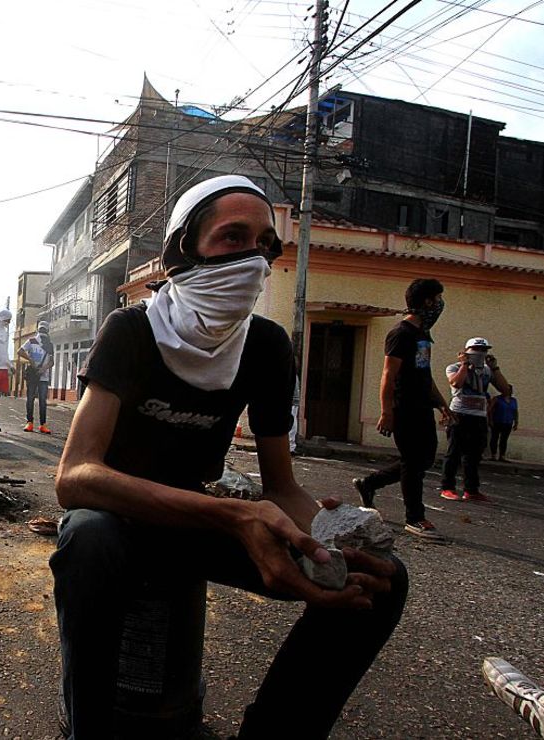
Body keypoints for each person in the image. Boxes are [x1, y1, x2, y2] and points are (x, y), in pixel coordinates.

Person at [50, 175, 406, 739]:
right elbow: (76, 478)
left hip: (197, 526)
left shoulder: (265, 347)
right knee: (86, 538)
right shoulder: (131, 331)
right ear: (183, 250)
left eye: (265, 243)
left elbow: (281, 488)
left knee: (382, 579)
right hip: (120, 521)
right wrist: (235, 515)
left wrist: (329, 532)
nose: (253, 257)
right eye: (232, 237)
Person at [352, 279, 453, 539]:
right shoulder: (401, 333)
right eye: (437, 299)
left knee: (424, 459)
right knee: (413, 461)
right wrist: (386, 412)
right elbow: (388, 374)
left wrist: (442, 403)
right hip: (404, 407)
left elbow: (425, 375)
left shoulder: (423, 335)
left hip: (422, 406)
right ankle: (415, 518)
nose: (440, 305)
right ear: (427, 302)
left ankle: (370, 483)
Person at [440, 337, 511, 502]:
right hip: (459, 414)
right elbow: (456, 383)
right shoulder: (455, 367)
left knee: (474, 455)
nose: (480, 353)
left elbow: (505, 389)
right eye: (476, 350)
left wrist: (495, 368)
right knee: (453, 453)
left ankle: (471, 489)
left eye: (483, 350)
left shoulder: (486, 371)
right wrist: (465, 364)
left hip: (479, 415)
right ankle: (447, 487)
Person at [18, 321, 54, 433]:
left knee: (42, 401)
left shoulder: (49, 345)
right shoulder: (31, 341)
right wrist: (30, 360)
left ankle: (43, 424)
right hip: (33, 375)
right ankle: (29, 422)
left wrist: (44, 369)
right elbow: (20, 351)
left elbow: (52, 362)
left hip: (43, 377)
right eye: (41, 330)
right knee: (30, 399)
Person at [489, 384, 518, 461]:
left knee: (504, 439)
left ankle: (502, 456)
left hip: (508, 422)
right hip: (497, 421)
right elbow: (490, 410)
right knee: (494, 438)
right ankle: (493, 455)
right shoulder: (497, 399)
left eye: (509, 390)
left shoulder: (513, 401)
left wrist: (516, 422)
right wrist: (490, 420)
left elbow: (515, 411)